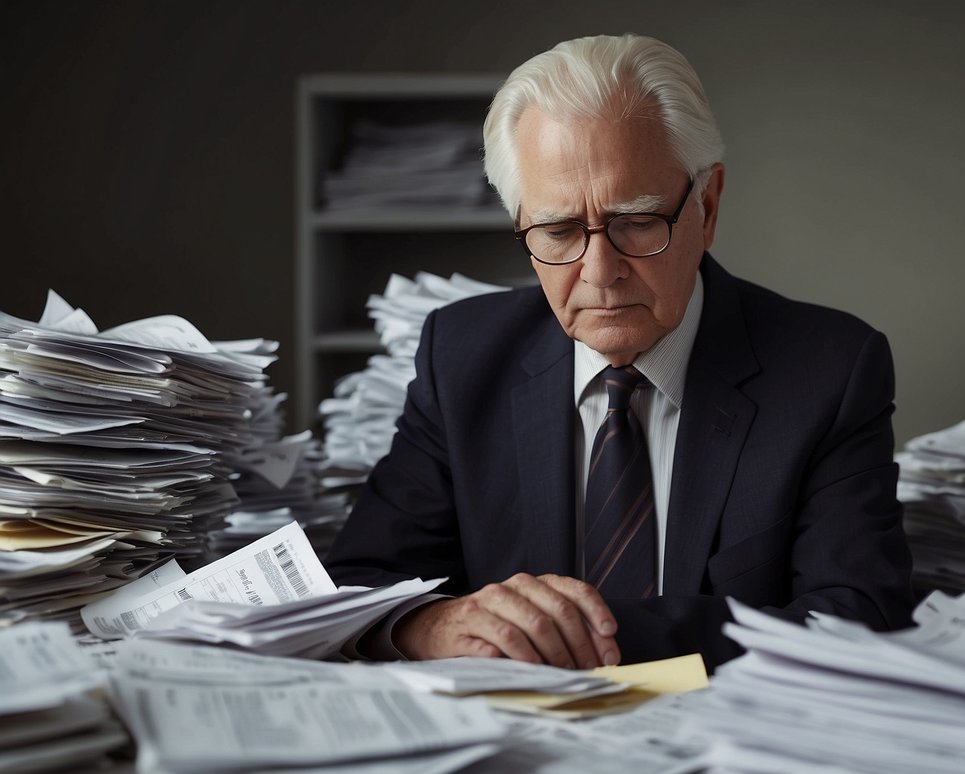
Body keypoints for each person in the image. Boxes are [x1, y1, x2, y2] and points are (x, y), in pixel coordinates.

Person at [324, 33, 914, 672]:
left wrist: (571, 637)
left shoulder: (830, 369)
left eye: (636, 222)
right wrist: (434, 625)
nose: (600, 271)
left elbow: (856, 616)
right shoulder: (462, 356)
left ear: (707, 207)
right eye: (557, 230)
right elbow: (359, 584)